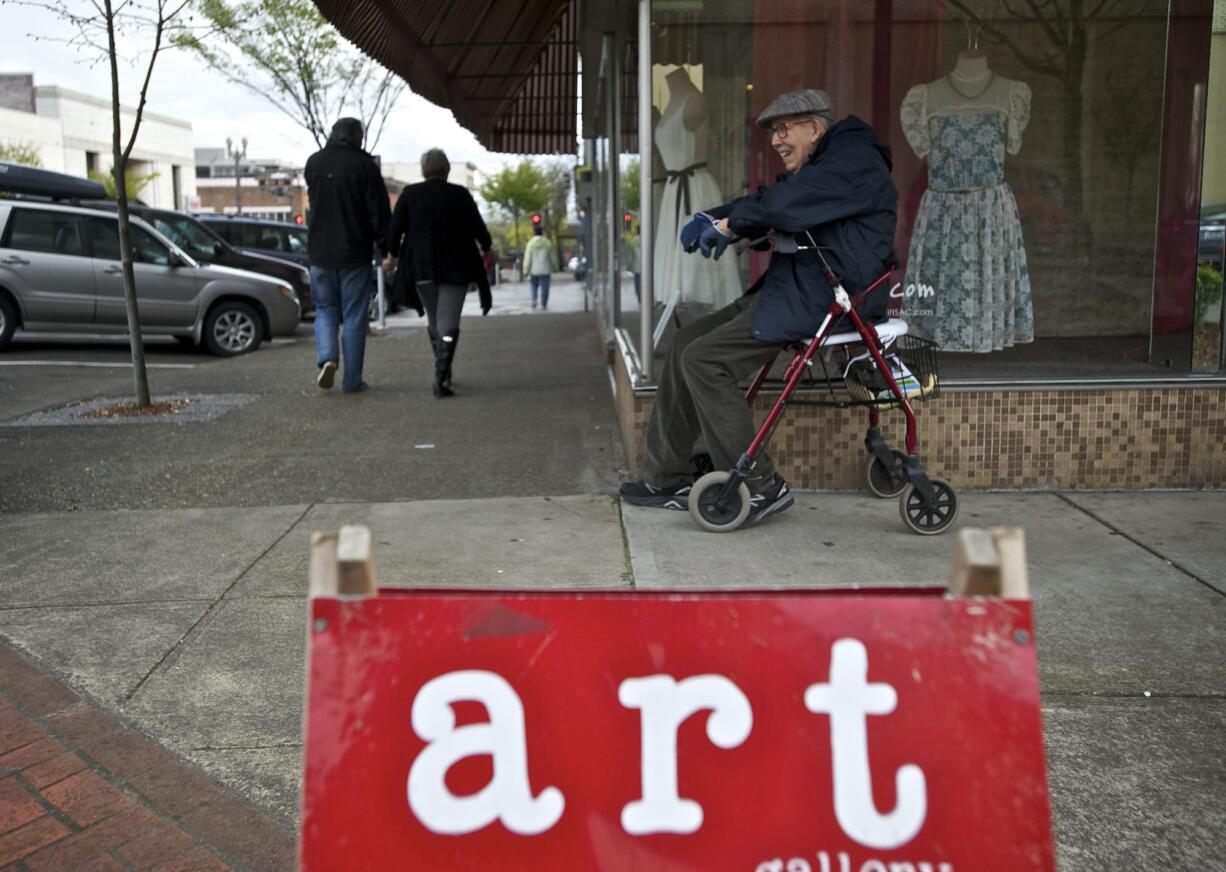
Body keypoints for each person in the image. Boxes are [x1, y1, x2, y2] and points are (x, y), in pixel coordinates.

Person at [619, 89, 898, 527]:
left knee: (704, 360)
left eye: (784, 129)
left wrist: (730, 223)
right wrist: (717, 216)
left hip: (827, 299)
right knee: (686, 342)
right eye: (772, 132)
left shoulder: (852, 162)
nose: (776, 140)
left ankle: (762, 486)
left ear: (814, 126)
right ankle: (666, 477)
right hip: (799, 288)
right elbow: (774, 201)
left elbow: (786, 206)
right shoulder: (826, 163)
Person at [384, 148, 492, 397]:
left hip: (421, 266)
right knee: (449, 321)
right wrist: (486, 247)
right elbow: (477, 225)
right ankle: (441, 376)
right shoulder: (459, 194)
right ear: (447, 169)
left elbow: (395, 228)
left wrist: (392, 255)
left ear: (424, 169)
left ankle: (443, 369)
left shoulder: (410, 194)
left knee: (435, 320)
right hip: (457, 265)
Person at [304, 117, 390, 393]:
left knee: (325, 309)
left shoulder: (314, 163)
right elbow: (378, 213)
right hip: (354, 250)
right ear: (357, 136)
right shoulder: (365, 165)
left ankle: (328, 357)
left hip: (319, 250)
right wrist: (387, 248)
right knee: (354, 315)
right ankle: (352, 380)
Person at [523, 224, 558, 310]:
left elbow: (528, 258)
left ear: (534, 233)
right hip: (545, 269)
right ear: (542, 232)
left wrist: (526, 270)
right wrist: (555, 268)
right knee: (545, 287)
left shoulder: (530, 244)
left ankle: (534, 300)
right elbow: (552, 257)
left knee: (533, 285)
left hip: (533, 269)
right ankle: (543, 303)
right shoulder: (547, 243)